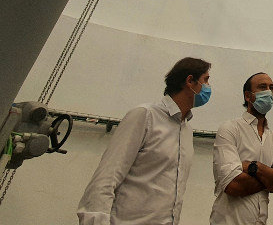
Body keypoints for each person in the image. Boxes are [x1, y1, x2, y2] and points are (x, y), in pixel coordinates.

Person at [77, 57, 212, 225]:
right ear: (190, 81)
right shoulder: (145, 115)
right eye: (205, 80)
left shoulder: (186, 130)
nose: (208, 87)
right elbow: (107, 176)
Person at [210, 72, 273, 225]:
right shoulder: (230, 129)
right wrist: (271, 180)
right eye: (262, 87)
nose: (268, 92)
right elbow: (233, 185)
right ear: (248, 96)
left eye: (271, 87)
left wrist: (253, 167)